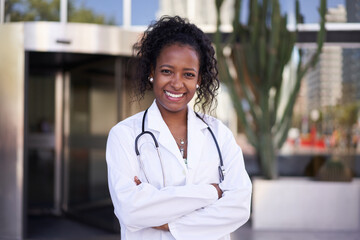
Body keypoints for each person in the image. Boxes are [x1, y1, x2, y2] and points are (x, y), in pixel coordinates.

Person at [106, 16, 252, 240]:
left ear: (199, 79)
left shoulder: (218, 134)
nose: (177, 83)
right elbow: (130, 211)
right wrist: (212, 192)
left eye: (188, 74)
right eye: (167, 71)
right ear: (151, 72)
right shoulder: (124, 135)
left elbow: (239, 207)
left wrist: (168, 222)